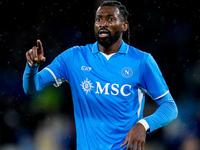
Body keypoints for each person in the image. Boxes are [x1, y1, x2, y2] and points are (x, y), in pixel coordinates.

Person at [23, 1, 178, 150]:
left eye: (110, 19)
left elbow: (170, 107)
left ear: (124, 25)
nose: (103, 24)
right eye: (98, 19)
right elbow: (32, 87)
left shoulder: (142, 61)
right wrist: (32, 67)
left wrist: (143, 125)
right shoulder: (74, 57)